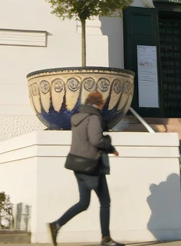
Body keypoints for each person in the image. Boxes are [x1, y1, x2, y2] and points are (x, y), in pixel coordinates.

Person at [47, 92, 122, 246]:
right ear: (99, 103)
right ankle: (106, 238)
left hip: (77, 163)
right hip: (91, 165)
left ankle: (56, 225)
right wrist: (109, 145)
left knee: (84, 202)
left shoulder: (77, 117)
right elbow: (96, 140)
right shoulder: (93, 118)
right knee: (105, 201)